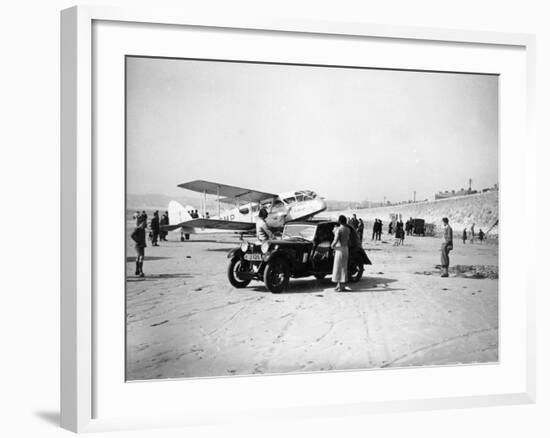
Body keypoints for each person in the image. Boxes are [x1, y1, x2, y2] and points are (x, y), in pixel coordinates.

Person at [331, 215, 351, 292]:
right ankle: (339, 285)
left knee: (338, 268)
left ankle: (341, 286)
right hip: (345, 248)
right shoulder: (348, 229)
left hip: (339, 249)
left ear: (339, 221)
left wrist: (332, 245)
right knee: (343, 268)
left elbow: (336, 239)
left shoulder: (338, 229)